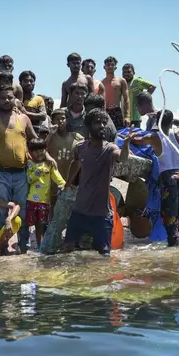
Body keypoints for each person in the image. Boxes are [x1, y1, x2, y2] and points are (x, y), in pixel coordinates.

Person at [0, 84, 44, 253]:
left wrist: (44, 157)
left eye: (10, 97)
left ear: (15, 98)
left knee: (22, 211)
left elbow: (35, 141)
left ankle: (24, 247)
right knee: (1, 212)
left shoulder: (24, 119)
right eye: (3, 97)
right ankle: (1, 247)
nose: (7, 100)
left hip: (22, 174)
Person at [64, 108, 138, 255]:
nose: (102, 126)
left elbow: (122, 158)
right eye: (98, 122)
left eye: (104, 123)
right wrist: (66, 184)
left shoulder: (110, 149)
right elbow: (75, 163)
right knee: (67, 249)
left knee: (104, 255)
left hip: (101, 214)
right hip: (80, 211)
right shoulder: (80, 148)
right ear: (89, 125)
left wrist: (127, 143)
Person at [131, 109, 179, 247]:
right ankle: (177, 243)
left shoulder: (154, 137)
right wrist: (175, 121)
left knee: (169, 213)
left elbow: (137, 141)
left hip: (168, 176)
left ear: (157, 121)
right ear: (170, 121)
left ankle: (172, 245)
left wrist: (131, 135)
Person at [26, 138, 66, 248]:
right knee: (31, 225)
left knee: (42, 224)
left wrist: (63, 185)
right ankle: (32, 244)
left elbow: (58, 178)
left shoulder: (49, 164)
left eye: (41, 150)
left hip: (44, 201)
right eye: (36, 151)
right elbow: (29, 179)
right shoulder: (30, 164)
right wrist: (39, 171)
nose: (39, 153)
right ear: (31, 152)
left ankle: (40, 246)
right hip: (31, 200)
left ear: (45, 150)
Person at [122, 63, 155, 129]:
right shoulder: (122, 82)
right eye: (124, 72)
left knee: (134, 137)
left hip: (135, 117)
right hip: (124, 117)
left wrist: (144, 99)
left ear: (133, 73)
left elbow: (152, 87)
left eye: (129, 72)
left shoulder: (137, 81)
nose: (126, 74)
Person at [101, 56, 130, 130]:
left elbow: (126, 99)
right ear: (104, 67)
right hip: (105, 112)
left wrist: (127, 116)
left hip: (116, 111)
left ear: (115, 67)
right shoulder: (101, 83)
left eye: (112, 65)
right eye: (108, 65)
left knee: (119, 134)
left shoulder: (121, 81)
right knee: (106, 134)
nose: (110, 66)